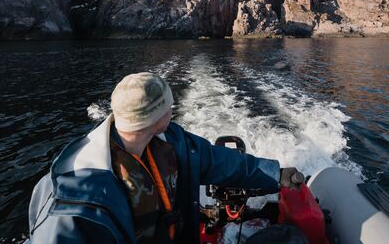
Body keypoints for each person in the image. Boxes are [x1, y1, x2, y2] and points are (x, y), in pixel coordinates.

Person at [28, 72, 300, 243]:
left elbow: (218, 161)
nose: (173, 109)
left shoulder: (171, 139)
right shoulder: (73, 200)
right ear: (154, 117)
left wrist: (275, 173)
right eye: (170, 106)